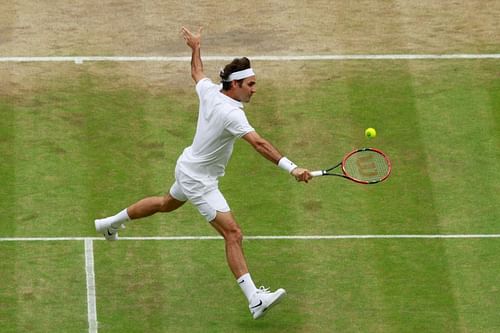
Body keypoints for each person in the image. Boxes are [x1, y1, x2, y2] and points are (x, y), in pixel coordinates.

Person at [95, 26, 312, 320]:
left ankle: (109, 223)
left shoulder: (210, 91)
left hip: (189, 167)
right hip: (199, 180)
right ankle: (254, 299)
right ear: (234, 85)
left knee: (164, 204)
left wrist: (195, 47)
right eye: (250, 84)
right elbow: (259, 144)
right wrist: (293, 168)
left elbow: (197, 72)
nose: (254, 89)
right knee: (233, 233)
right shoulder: (232, 114)